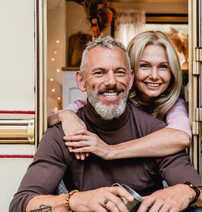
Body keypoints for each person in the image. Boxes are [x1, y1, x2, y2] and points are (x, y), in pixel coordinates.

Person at [9, 37, 202, 212]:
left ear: (129, 80)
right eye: (99, 73)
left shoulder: (156, 131)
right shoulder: (63, 134)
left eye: (119, 73)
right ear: (81, 81)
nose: (111, 82)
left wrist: (188, 192)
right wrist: (74, 200)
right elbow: (19, 209)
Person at [47, 31, 191, 161]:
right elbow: (48, 119)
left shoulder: (174, 103)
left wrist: (110, 151)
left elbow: (181, 137)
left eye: (163, 67)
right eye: (145, 66)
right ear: (130, 71)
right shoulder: (112, 94)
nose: (154, 76)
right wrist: (65, 115)